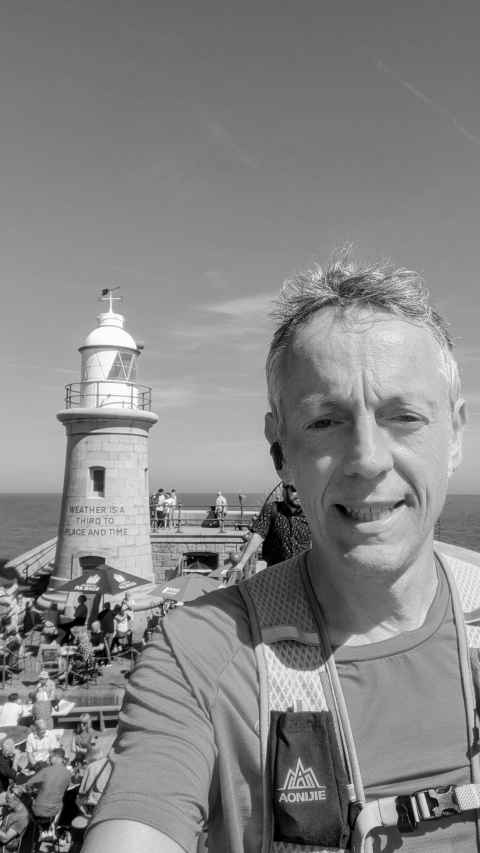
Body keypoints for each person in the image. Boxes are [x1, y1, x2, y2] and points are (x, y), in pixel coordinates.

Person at [84, 250, 480, 852]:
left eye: (404, 416)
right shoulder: (200, 656)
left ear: (455, 436)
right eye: (325, 421)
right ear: (279, 451)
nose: (368, 458)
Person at [232, 482, 311, 579]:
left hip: (303, 575)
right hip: (276, 574)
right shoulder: (272, 509)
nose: (299, 493)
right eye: (294, 490)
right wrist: (241, 563)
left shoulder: (311, 513)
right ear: (284, 490)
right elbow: (259, 535)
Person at [25, 748, 71, 823]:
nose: (49, 759)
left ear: (56, 758)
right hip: (55, 810)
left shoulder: (46, 770)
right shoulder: (68, 773)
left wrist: (33, 791)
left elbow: (28, 785)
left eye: (50, 757)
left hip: (39, 809)